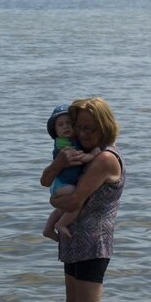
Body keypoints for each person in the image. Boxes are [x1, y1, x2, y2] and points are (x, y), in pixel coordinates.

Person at [39, 97, 124, 302]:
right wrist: (59, 163)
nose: (83, 133)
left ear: (104, 126)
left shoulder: (105, 157)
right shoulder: (76, 151)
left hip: (93, 242)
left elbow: (73, 202)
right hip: (72, 236)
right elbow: (45, 181)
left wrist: (53, 203)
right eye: (79, 127)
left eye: (89, 128)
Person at [41, 103, 100, 241]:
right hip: (63, 184)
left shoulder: (73, 140)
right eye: (60, 125)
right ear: (55, 130)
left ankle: (48, 229)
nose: (66, 127)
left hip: (61, 183)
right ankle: (61, 224)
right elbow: (77, 157)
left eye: (69, 123)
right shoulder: (63, 144)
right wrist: (92, 156)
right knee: (76, 200)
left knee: (61, 209)